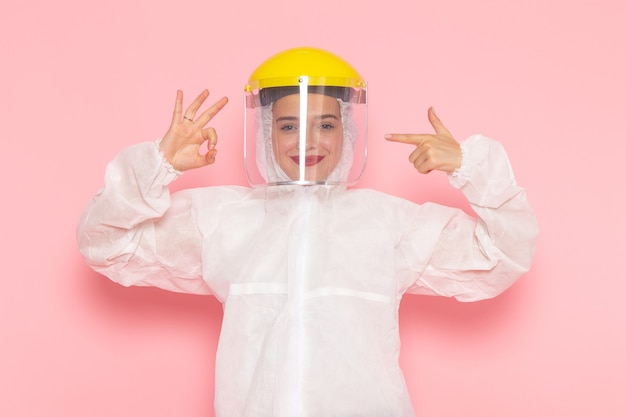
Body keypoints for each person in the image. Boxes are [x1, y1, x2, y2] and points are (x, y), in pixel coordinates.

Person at [77, 47, 538, 417]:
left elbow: (501, 256)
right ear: (263, 131)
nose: (307, 141)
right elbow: (105, 244)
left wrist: (470, 169)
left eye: (326, 124)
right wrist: (156, 167)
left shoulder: (388, 222)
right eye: (288, 125)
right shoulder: (222, 218)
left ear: (347, 132)